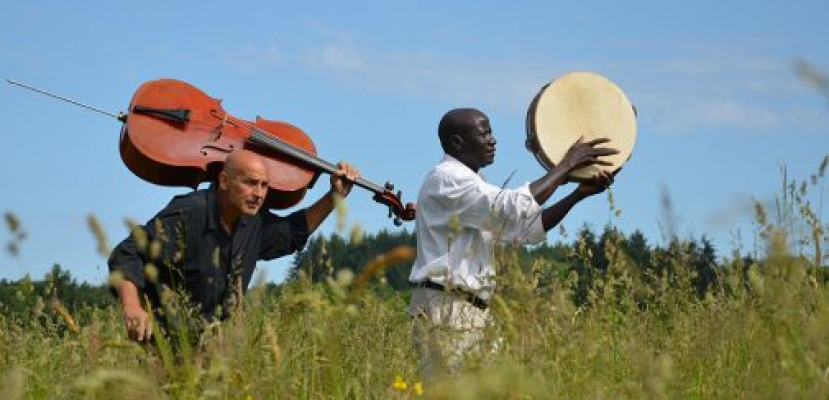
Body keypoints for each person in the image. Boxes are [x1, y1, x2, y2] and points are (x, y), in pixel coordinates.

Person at [408, 107, 618, 379]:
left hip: (470, 311)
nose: (493, 140)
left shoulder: (474, 182)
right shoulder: (447, 177)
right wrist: (565, 166)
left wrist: (577, 195)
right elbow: (511, 208)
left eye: (491, 132)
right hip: (447, 308)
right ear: (457, 143)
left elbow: (523, 230)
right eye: (484, 134)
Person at [108, 149, 359, 342]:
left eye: (264, 185)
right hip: (158, 341)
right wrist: (132, 307)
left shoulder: (254, 223)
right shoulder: (190, 211)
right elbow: (128, 253)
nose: (259, 194)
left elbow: (292, 234)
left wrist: (334, 196)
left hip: (208, 344)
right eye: (250, 183)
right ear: (225, 181)